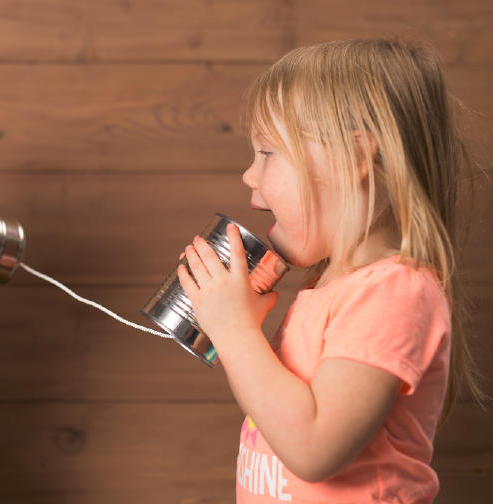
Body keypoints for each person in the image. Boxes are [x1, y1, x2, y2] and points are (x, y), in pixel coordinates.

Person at [177, 39, 483, 503]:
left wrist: (237, 331)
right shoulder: (329, 287)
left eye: (267, 153)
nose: (249, 175)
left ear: (356, 159)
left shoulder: (394, 292)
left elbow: (313, 447)